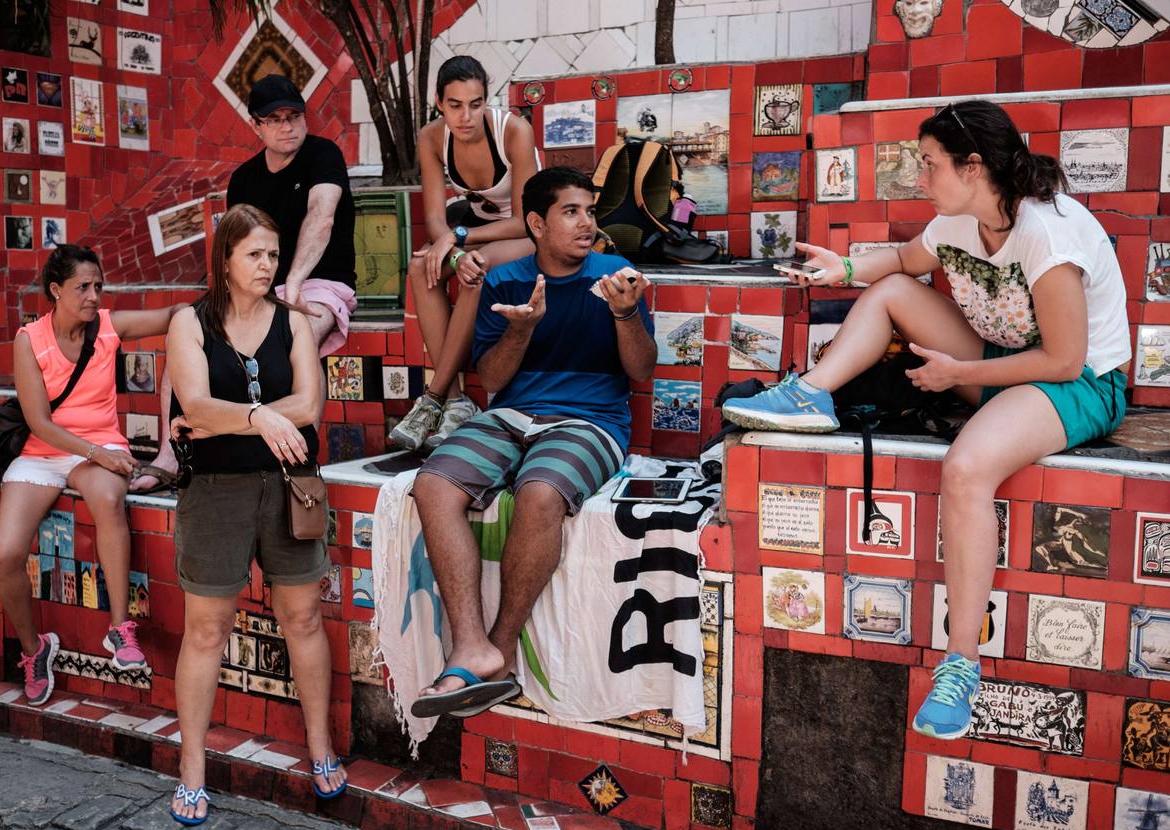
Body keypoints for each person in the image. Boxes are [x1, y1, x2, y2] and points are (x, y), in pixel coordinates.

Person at [722, 100, 1130, 739]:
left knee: (966, 467)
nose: (918, 176)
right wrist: (846, 269)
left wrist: (959, 375)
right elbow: (906, 263)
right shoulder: (958, 220)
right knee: (888, 295)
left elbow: (1063, 357)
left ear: (974, 168)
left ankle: (960, 664)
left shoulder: (1048, 232)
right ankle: (811, 395)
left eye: (929, 164)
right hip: (1000, 361)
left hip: (1077, 385)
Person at [408, 167, 656, 718]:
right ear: (537, 224)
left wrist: (625, 312)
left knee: (540, 494)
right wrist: (521, 329)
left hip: (593, 421)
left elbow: (640, 370)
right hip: (512, 415)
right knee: (432, 483)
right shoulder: (506, 281)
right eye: (572, 212)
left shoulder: (618, 275)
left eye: (590, 211)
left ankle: (500, 645)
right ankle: (470, 646)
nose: (587, 222)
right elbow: (493, 380)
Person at [165, 204, 344, 825]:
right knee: (207, 630)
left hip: (290, 487)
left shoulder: (293, 323)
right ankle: (192, 767)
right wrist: (261, 415)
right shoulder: (189, 322)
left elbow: (310, 404)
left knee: (302, 618)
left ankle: (320, 749)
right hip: (213, 491)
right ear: (224, 259)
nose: (267, 265)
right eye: (255, 254)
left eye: (273, 254)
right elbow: (192, 401)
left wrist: (232, 417)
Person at [132, 74, 356, 491]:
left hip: (320, 283)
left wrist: (293, 283)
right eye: (275, 119)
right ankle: (169, 455)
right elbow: (237, 247)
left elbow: (322, 216)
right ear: (256, 125)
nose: (287, 126)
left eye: (294, 116)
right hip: (257, 288)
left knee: (300, 335)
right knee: (189, 335)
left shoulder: (323, 155)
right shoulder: (244, 179)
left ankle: (299, 460)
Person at [0, 245, 190, 707]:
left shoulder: (108, 327)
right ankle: (32, 649)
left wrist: (193, 323)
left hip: (97, 451)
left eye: (99, 286)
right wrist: (96, 452)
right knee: (3, 553)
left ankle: (120, 629)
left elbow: (174, 313)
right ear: (55, 290)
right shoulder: (30, 340)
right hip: (46, 452)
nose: (94, 296)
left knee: (107, 501)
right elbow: (39, 422)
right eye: (83, 287)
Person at [389, 56, 542, 452]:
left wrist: (459, 240)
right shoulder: (431, 138)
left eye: (475, 104)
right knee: (423, 263)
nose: (466, 116)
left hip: (529, 232)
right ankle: (457, 401)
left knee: (476, 266)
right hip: (475, 232)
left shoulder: (514, 132)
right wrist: (451, 249)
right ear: (439, 102)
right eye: (455, 105)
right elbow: (435, 219)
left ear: (485, 101)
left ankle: (433, 397)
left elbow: (527, 221)